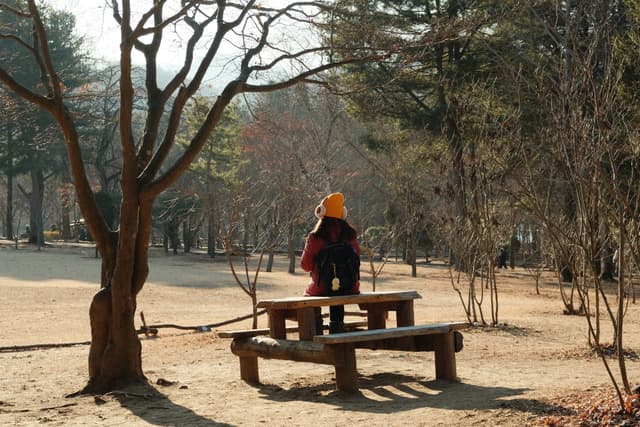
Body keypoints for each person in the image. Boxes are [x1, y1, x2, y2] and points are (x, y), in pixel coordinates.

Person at [301, 192, 361, 334]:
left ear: (321, 211)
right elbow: (356, 259)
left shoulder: (315, 236)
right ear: (342, 213)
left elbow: (306, 266)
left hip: (322, 286)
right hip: (350, 285)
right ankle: (337, 327)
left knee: (310, 296)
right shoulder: (350, 234)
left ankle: (316, 330)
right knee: (338, 293)